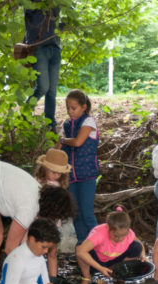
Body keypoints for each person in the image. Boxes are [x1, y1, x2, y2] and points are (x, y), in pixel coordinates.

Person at [0, 218, 70, 284]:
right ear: (31, 239)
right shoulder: (16, 258)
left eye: (48, 248)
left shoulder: (39, 258)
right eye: (43, 247)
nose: (46, 251)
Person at [59, 89, 100, 250]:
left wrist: (63, 140)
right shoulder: (66, 125)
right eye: (68, 108)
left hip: (87, 175)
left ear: (84, 107)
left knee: (87, 212)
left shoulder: (88, 122)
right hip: (71, 177)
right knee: (75, 213)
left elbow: (77, 142)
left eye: (73, 108)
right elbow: (59, 149)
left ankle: (98, 246)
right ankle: (82, 247)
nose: (70, 111)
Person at [76, 207, 146, 284]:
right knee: (79, 246)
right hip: (97, 261)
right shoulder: (99, 233)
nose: (120, 239)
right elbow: (80, 251)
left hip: (114, 261)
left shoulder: (129, 233)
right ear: (108, 228)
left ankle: (119, 272)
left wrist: (143, 255)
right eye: (116, 236)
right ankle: (87, 277)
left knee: (137, 247)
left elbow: (140, 244)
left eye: (123, 235)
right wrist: (100, 268)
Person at [24, 0, 62, 131]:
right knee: (43, 87)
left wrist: (64, 26)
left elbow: (58, 23)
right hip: (39, 46)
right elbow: (32, 18)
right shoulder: (31, 2)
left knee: (52, 91)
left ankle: (50, 125)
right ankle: (24, 115)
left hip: (55, 47)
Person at [35, 148, 71, 276]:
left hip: (54, 224)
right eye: (53, 172)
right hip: (38, 222)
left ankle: (53, 278)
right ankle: (37, 278)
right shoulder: (38, 183)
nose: (56, 175)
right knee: (36, 252)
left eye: (59, 173)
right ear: (44, 169)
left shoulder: (60, 185)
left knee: (52, 253)